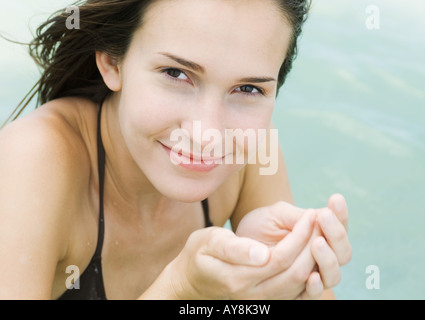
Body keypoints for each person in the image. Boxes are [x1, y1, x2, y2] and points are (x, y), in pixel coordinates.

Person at [0, 0, 352, 300]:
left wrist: (283, 279)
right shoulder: (34, 159)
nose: (209, 135)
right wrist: (182, 290)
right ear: (111, 60)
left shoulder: (251, 151)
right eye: (175, 73)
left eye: (247, 89)